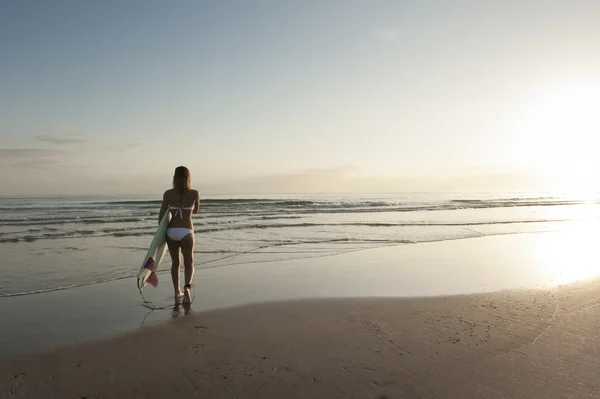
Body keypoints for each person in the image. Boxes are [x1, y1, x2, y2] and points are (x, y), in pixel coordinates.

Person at [158, 166, 200, 304]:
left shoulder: (167, 194)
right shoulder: (194, 193)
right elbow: (196, 212)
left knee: (175, 263)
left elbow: (162, 215)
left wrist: (160, 234)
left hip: (171, 232)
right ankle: (187, 287)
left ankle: (177, 291)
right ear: (189, 178)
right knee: (189, 262)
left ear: (174, 178)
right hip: (187, 231)